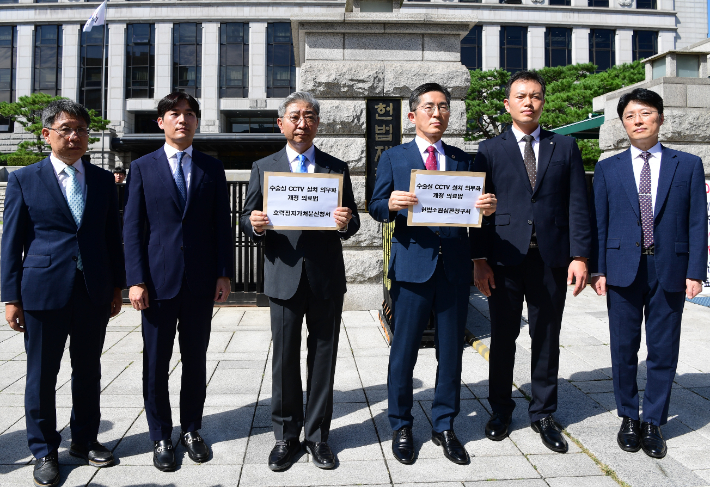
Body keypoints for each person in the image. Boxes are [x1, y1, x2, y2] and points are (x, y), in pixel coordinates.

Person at [369, 83, 497, 466]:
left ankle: (445, 425)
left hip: (454, 269)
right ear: (413, 115)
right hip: (412, 268)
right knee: (404, 351)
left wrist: (486, 209)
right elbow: (375, 206)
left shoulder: (462, 159)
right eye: (428, 107)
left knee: (451, 354)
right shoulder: (394, 157)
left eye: (443, 107)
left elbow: (474, 215)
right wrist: (389, 203)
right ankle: (401, 424)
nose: (436, 113)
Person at [1, 100, 125, 487]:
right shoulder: (25, 179)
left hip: (92, 291)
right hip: (42, 290)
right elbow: (11, 242)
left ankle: (85, 440)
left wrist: (116, 286)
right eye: (66, 129)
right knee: (41, 374)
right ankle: (43, 449)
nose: (75, 137)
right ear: (46, 135)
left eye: (82, 130)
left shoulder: (103, 180)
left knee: (88, 370)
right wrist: (10, 297)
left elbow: (111, 238)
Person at [471, 70, 591, 454]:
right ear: (507, 104)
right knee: (504, 338)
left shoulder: (565, 146)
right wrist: (479, 259)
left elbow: (578, 204)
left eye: (536, 96)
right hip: (504, 259)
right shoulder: (488, 150)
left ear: (543, 102)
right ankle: (500, 410)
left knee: (546, 339)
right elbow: (477, 209)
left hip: (551, 259)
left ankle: (543, 413)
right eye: (520, 96)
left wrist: (580, 255)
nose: (528, 102)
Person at [240, 91, 360, 472]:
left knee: (323, 357)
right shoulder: (264, 166)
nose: (301, 122)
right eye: (294, 116)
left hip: (325, 277)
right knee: (285, 359)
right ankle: (285, 436)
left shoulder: (336, 167)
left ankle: (318, 436)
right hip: (284, 276)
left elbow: (353, 220)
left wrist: (345, 222)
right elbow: (247, 215)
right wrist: (254, 225)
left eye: (309, 116)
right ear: (281, 123)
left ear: (317, 123)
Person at [590, 88, 708, 459]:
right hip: (623, 268)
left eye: (645, 113)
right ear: (623, 123)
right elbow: (599, 224)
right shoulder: (608, 168)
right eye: (630, 116)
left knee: (663, 349)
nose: (638, 121)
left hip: (669, 267)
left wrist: (696, 271)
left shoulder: (686, 165)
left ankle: (653, 420)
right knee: (624, 348)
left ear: (659, 117)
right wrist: (598, 269)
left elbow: (696, 222)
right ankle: (628, 416)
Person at [122, 92, 233, 472]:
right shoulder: (142, 167)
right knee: (156, 362)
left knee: (195, 360)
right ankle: (159, 435)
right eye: (174, 114)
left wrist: (224, 272)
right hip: (156, 282)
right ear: (161, 122)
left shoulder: (210, 168)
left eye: (189, 114)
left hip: (201, 281)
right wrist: (134, 280)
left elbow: (222, 225)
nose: (182, 120)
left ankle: (191, 429)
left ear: (197, 121)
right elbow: (133, 229)